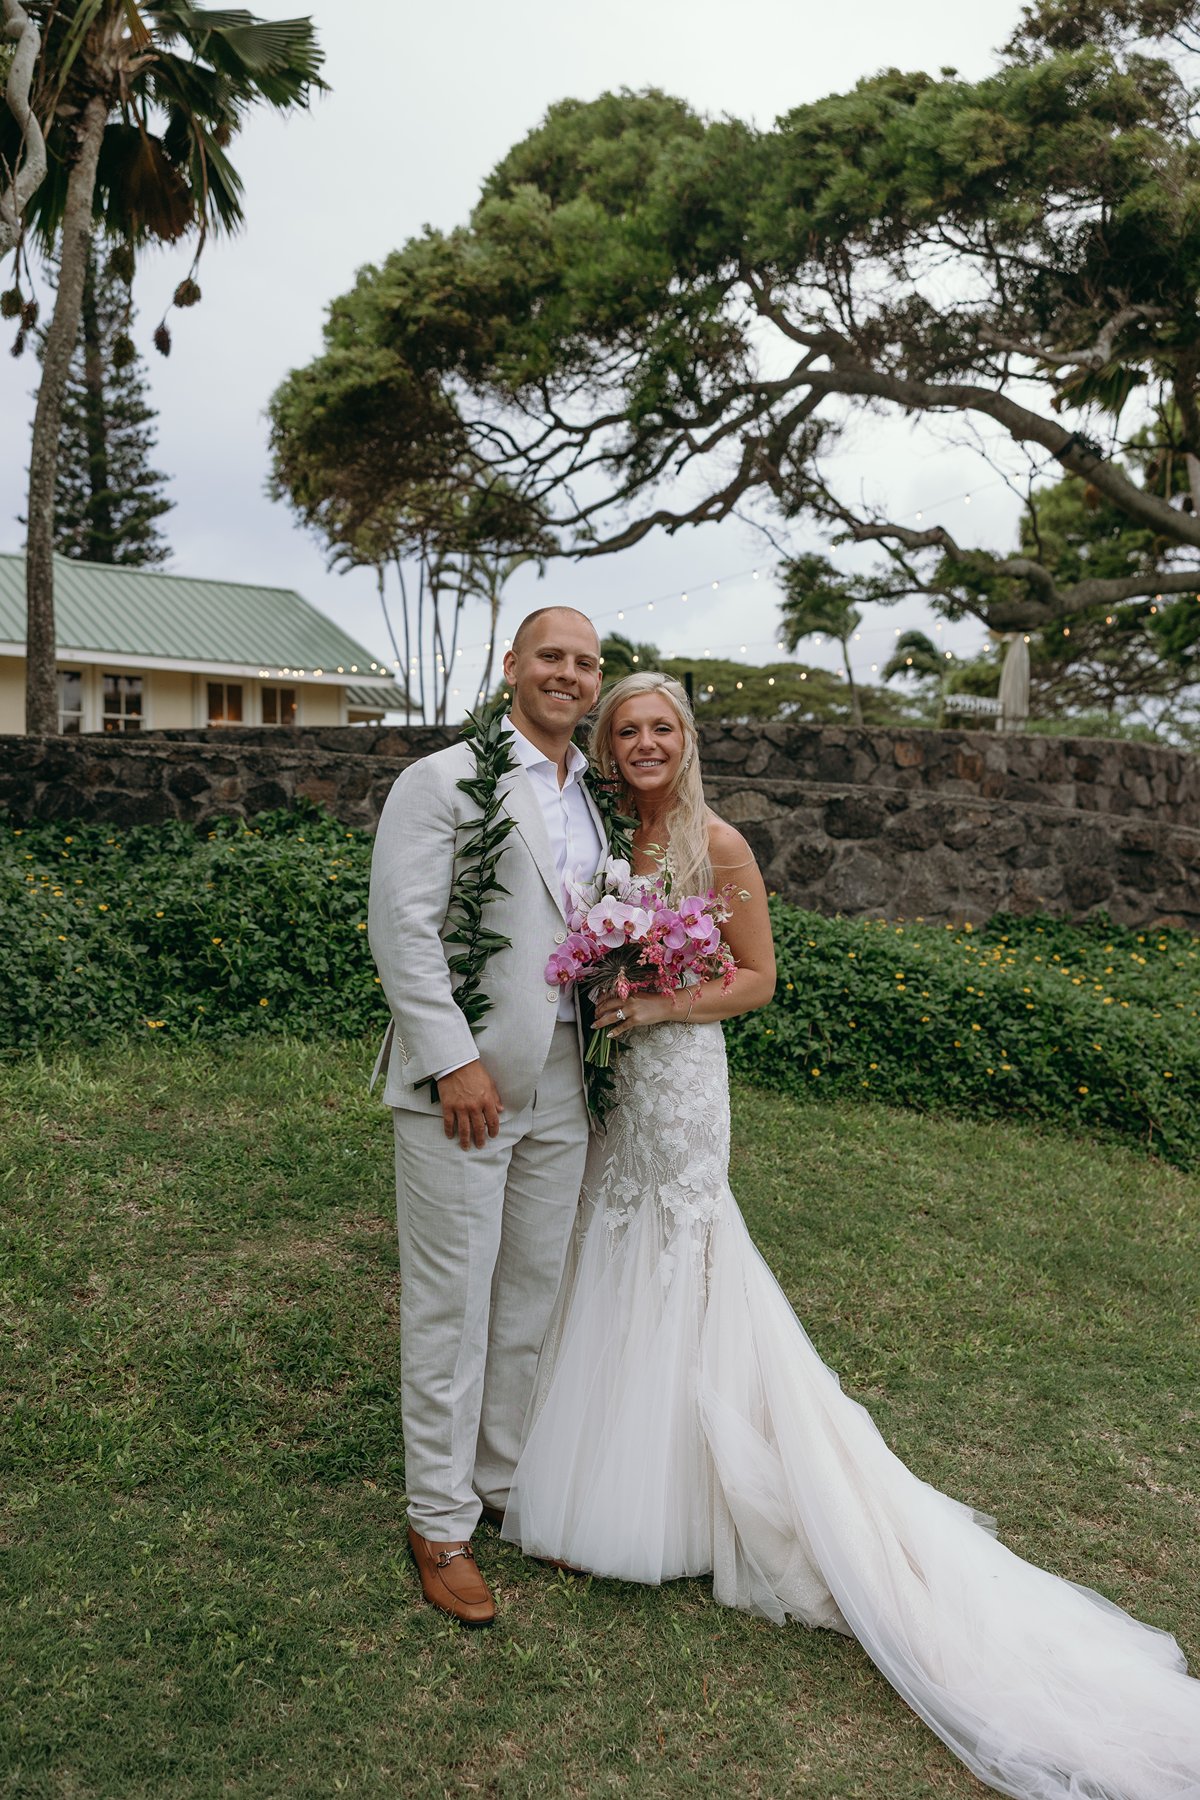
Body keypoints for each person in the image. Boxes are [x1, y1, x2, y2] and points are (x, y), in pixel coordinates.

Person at [501, 671, 1200, 1800]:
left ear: (687, 740)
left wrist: (664, 1003)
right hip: (616, 1081)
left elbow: (759, 980)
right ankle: (608, 1457)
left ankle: (679, 1497)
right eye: (623, 728)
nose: (640, 742)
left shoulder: (717, 842)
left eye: (659, 728)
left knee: (683, 1248)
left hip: (680, 1077)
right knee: (609, 1238)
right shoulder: (591, 831)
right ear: (604, 740)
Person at [368, 606, 609, 1628]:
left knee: (529, 1298)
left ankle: (503, 1487)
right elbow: (404, 930)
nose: (568, 674)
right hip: (465, 1085)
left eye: (585, 663)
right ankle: (438, 1520)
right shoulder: (443, 779)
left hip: (566, 1079)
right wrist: (453, 1062)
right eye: (550, 656)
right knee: (451, 1303)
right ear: (510, 666)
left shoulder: (594, 796)